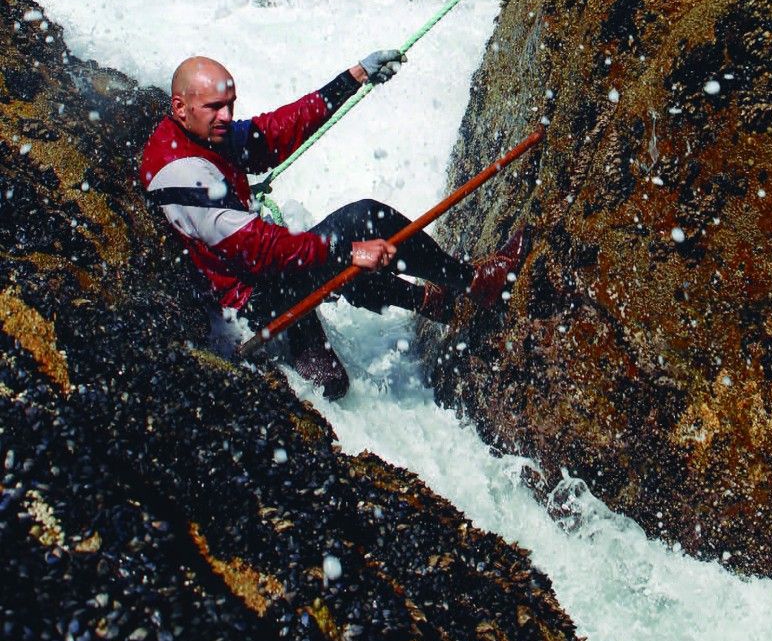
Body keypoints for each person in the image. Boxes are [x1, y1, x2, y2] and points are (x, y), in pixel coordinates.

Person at [139, 50, 526, 400]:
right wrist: (348, 251)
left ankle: (429, 302)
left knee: (332, 381)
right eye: (215, 107)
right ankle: (477, 283)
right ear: (180, 107)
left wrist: (351, 79)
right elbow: (259, 246)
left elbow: (272, 134)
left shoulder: (206, 132)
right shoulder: (180, 171)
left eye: (231, 105)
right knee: (363, 222)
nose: (227, 116)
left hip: (262, 285)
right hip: (249, 308)